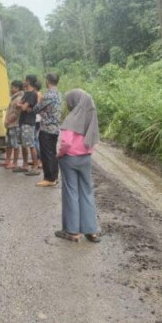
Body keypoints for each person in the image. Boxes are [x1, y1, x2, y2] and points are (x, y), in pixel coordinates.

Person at [55, 89, 101, 243]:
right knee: (87, 192)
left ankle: (73, 231)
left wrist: (60, 154)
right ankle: (91, 231)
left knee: (71, 193)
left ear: (73, 102)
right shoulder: (90, 117)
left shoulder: (71, 119)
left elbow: (66, 142)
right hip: (85, 159)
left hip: (70, 159)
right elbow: (94, 139)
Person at [33, 73, 62, 187]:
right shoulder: (59, 94)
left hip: (46, 128)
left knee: (46, 154)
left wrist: (40, 106)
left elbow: (36, 109)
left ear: (48, 81)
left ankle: (49, 178)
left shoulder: (48, 95)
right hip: (55, 128)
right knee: (53, 153)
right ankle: (54, 177)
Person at [15, 75, 40, 175]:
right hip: (22, 121)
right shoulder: (26, 93)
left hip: (28, 123)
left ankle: (35, 167)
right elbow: (19, 104)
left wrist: (21, 106)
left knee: (30, 144)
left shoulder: (32, 94)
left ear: (28, 82)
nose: (24, 82)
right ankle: (25, 165)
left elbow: (24, 107)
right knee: (24, 144)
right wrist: (21, 106)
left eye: (25, 80)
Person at [2, 80, 23, 168]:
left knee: (15, 144)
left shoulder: (18, 99)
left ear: (18, 88)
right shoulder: (14, 98)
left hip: (14, 125)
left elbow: (16, 113)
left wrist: (7, 121)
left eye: (13, 87)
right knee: (9, 144)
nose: (11, 89)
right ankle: (7, 161)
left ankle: (14, 163)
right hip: (10, 125)